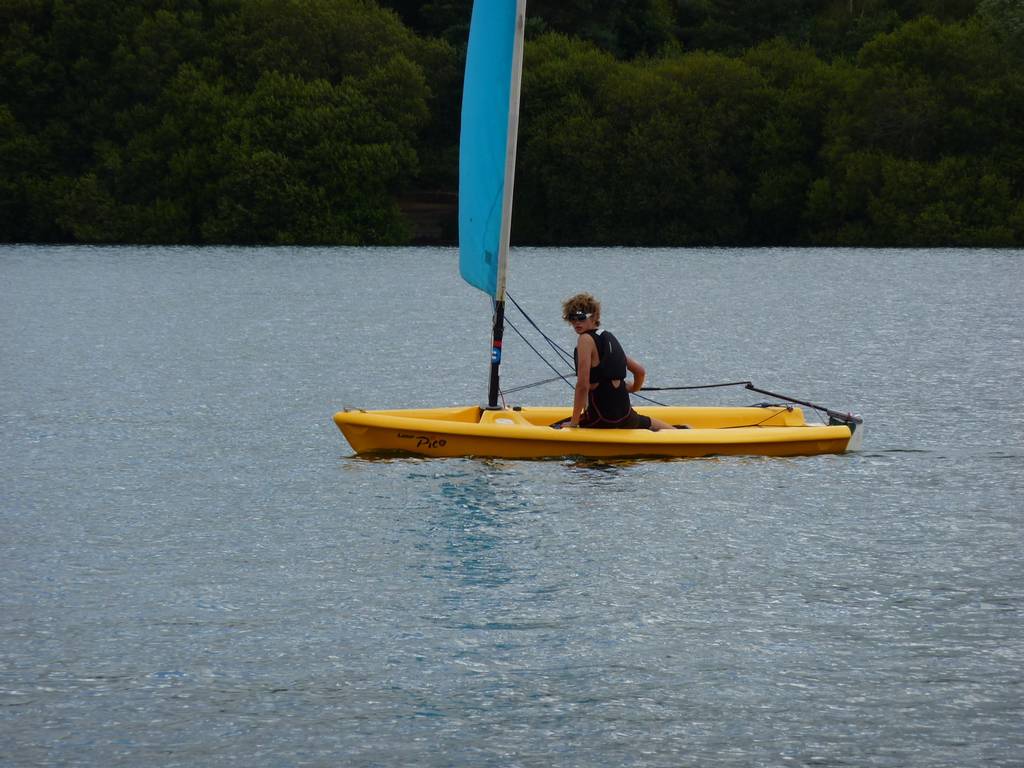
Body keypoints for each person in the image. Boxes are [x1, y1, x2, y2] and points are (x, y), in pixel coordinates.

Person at [562, 293, 675, 431]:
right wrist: (633, 388)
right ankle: (681, 432)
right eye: (572, 318)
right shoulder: (607, 338)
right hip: (625, 415)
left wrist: (574, 423)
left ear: (594, 316)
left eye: (581, 317)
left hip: (602, 417)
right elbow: (639, 371)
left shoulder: (585, 339)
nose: (576, 323)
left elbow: (582, 384)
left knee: (558, 426)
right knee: (644, 421)